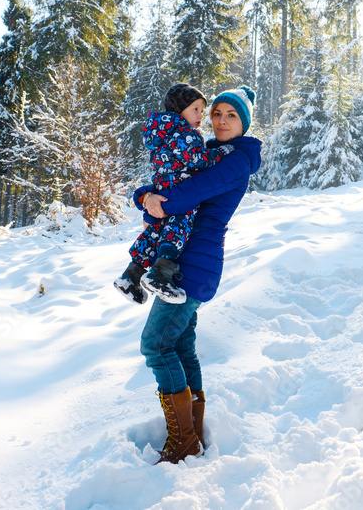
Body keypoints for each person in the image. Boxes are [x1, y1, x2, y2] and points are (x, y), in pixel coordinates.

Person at [133, 85, 261, 465]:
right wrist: (145, 197)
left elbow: (187, 194)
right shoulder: (210, 152)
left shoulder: (236, 160)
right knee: (179, 346)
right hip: (184, 262)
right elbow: (169, 181)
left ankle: (184, 442)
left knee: (155, 344)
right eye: (217, 113)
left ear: (244, 123)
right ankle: (193, 436)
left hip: (193, 264)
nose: (220, 120)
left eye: (231, 115)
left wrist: (154, 201)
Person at [114, 83, 233, 305]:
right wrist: (220, 153)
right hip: (181, 193)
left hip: (162, 189)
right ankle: (160, 274)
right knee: (178, 230)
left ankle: (131, 274)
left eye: (202, 110)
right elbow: (197, 160)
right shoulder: (186, 133)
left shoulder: (161, 131)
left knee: (156, 232)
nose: (200, 116)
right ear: (180, 109)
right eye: (195, 109)